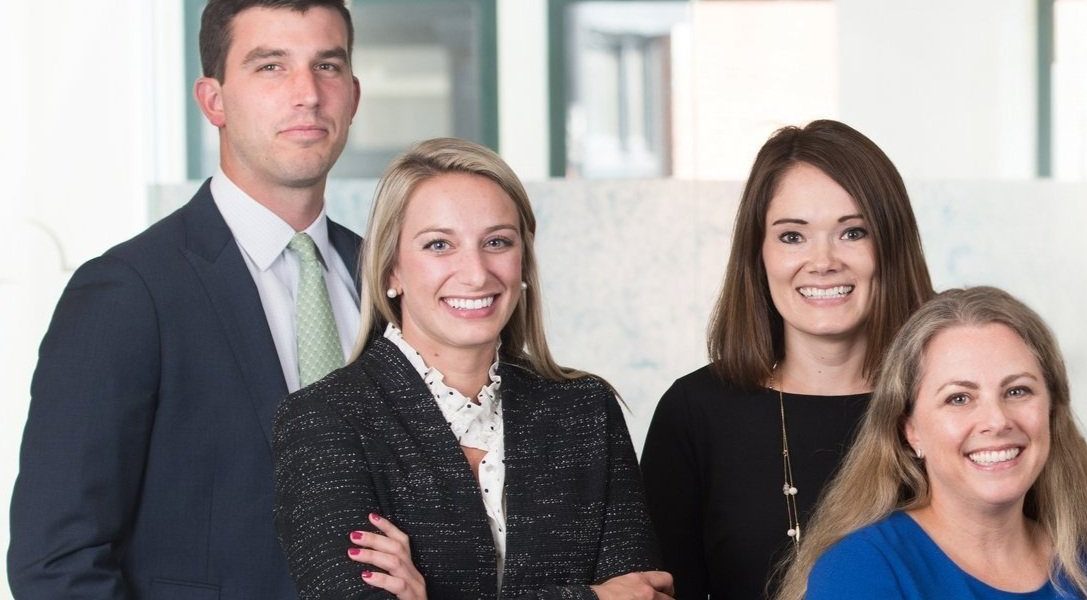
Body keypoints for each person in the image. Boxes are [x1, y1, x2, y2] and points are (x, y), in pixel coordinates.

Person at [9, 1, 362, 596]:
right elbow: (57, 563)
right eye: (270, 67)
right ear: (213, 100)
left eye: (326, 67)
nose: (307, 94)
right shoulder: (125, 293)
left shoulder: (388, 276)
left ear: (353, 94)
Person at [272, 138, 673, 599]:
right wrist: (592, 596)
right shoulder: (324, 420)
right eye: (439, 244)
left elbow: (644, 594)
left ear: (523, 261)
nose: (477, 273)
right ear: (390, 271)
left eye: (497, 242)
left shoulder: (586, 411)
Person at [639, 119, 935, 599]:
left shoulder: (953, 400)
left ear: (892, 246)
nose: (822, 261)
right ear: (758, 254)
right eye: (792, 236)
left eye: (853, 232)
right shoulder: (694, 412)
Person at [774, 286, 1087, 599]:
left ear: (1051, 411)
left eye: (1017, 390)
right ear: (910, 429)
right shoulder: (861, 571)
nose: (997, 420)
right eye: (959, 398)